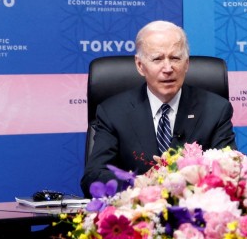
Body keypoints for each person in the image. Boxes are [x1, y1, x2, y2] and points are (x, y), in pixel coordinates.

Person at [81, 20, 236, 195]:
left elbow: (229, 172)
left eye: (175, 58)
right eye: (157, 59)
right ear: (140, 65)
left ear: (186, 64)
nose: (168, 68)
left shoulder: (215, 109)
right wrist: (138, 184)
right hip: (137, 214)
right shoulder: (113, 112)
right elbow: (93, 177)